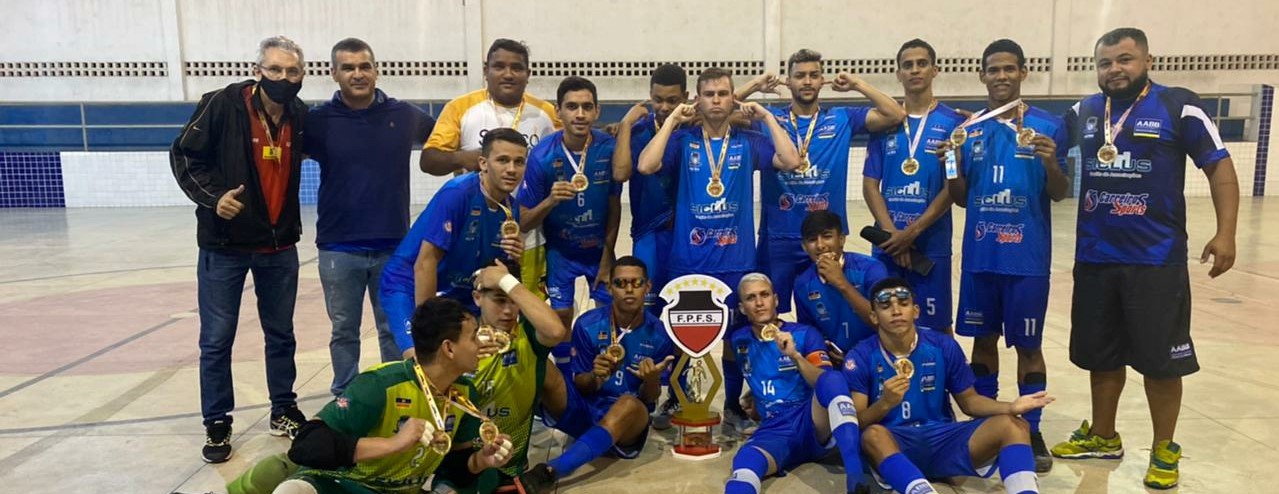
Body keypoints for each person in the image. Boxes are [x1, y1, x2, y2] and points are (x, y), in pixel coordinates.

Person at [1051, 27, 1239, 490]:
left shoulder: (1179, 106)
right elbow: (1040, 138)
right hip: (1096, 258)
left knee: (1161, 362)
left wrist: (1226, 233)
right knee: (1102, 355)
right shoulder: (1085, 111)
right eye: (1105, 62)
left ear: (1148, 60)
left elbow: (1219, 166)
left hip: (1156, 261)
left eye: (1125, 59)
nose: (1114, 69)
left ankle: (1163, 449)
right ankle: (1102, 434)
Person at [637, 67, 801, 435]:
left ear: (733, 99)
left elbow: (790, 161)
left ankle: (730, 405)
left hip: (736, 262)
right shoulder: (683, 141)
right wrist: (672, 123)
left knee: (732, 340)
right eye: (708, 94)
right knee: (682, 336)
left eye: (722, 93)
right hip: (689, 262)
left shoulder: (749, 140)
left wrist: (767, 116)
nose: (715, 100)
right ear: (697, 99)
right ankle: (677, 398)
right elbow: (646, 165)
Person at [169, 35, 309, 463]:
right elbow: (184, 155)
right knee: (216, 340)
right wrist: (213, 198)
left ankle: (283, 409)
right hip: (224, 246)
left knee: (281, 334)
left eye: (291, 72)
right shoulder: (222, 104)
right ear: (258, 71)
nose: (283, 78)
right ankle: (217, 421)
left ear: (301, 76)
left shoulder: (300, 115)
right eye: (275, 70)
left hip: (278, 246)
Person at [940, 38, 1069, 472]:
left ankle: (1030, 430)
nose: (1000, 76)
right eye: (993, 70)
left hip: (1027, 260)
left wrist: (1052, 164)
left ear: (1023, 72)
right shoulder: (970, 128)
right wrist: (952, 161)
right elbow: (958, 197)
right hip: (980, 256)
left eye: (1008, 69)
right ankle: (990, 424)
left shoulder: (1049, 126)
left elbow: (1060, 192)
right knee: (983, 342)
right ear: (982, 74)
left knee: (1030, 346)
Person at [275, 296, 515, 494]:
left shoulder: (465, 394)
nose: (482, 343)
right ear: (448, 348)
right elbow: (306, 444)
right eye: (474, 336)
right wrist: (393, 444)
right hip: (347, 486)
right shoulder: (380, 384)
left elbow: (453, 469)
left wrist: (481, 461)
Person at [305, 37, 436, 395]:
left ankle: (396, 392)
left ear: (376, 70)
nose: (358, 74)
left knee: (393, 327)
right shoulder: (317, 122)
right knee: (343, 329)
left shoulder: (404, 116)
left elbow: (445, 139)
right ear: (334, 74)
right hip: (337, 247)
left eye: (365, 66)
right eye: (348, 67)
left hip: (394, 245)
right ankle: (346, 397)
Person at [845, 278, 1054, 494]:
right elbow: (856, 422)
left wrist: (1010, 407)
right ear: (873, 316)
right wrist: (884, 404)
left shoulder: (943, 345)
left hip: (943, 437)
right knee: (872, 436)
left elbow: (970, 402)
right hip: (895, 441)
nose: (896, 311)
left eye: (904, 303)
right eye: (886, 306)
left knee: (1015, 426)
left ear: (915, 311)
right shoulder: (860, 356)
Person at [736, 49, 904, 315]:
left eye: (814, 75)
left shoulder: (841, 118)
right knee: (766, 312)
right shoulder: (768, 119)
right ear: (788, 82)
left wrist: (857, 84)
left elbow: (895, 114)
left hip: (825, 239)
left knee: (821, 312)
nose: (807, 81)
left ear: (822, 80)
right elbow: (717, 111)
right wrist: (756, 85)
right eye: (800, 76)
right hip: (779, 237)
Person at [514, 256, 675, 493]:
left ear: (647, 287)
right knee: (540, 366)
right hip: (587, 409)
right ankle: (513, 457)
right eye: (620, 283)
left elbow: (649, 398)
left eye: (636, 283)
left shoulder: (660, 334)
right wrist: (595, 376)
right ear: (609, 287)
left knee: (629, 403)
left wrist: (651, 380)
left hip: (626, 425)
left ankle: (551, 470)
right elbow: (580, 385)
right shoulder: (587, 324)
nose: (629, 289)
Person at [419, 38, 561, 300]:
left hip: (531, 239)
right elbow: (428, 160)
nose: (508, 74)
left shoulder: (546, 113)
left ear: (528, 74)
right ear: (486, 71)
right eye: (499, 66)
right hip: (475, 236)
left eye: (517, 68)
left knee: (526, 315)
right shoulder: (461, 108)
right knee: (479, 314)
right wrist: (463, 157)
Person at [379, 129, 527, 355]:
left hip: (459, 292)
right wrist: (430, 329)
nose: (511, 169)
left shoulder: (511, 208)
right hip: (409, 285)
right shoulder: (457, 194)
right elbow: (424, 264)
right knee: (423, 360)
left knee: (475, 354)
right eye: (502, 160)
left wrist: (516, 256)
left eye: (519, 162)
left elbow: (494, 270)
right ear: (483, 163)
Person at [430, 259, 570, 493]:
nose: (508, 311)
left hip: (509, 467)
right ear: (477, 298)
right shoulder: (456, 344)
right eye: (499, 299)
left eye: (513, 301)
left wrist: (506, 282)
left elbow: (556, 331)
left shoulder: (528, 337)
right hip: (461, 466)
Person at [723, 274, 864, 494]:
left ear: (776, 299)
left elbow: (824, 382)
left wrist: (796, 356)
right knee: (744, 461)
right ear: (742, 308)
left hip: (811, 418)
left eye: (765, 295)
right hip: (774, 428)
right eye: (751, 298)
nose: (759, 303)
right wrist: (738, 405)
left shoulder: (804, 333)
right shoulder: (738, 340)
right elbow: (734, 376)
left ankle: (855, 477)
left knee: (834, 378)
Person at [863, 39, 964, 334]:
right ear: (898, 73)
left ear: (935, 69)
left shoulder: (953, 123)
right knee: (883, 326)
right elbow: (870, 185)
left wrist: (913, 232)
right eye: (908, 65)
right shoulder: (886, 122)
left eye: (922, 63)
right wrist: (894, 235)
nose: (915, 70)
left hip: (930, 246)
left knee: (937, 327)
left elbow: (952, 188)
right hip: (888, 245)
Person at [519, 76, 620, 334]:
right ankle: (566, 371)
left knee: (610, 315)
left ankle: (597, 367)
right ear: (558, 111)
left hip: (599, 250)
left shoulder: (609, 148)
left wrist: (608, 257)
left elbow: (614, 205)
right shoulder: (542, 155)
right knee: (561, 316)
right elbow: (524, 221)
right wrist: (550, 201)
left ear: (597, 111)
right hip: (560, 252)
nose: (580, 114)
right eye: (572, 106)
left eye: (587, 107)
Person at [612, 63, 688, 309]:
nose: (664, 107)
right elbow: (621, 173)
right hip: (647, 233)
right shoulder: (637, 132)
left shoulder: (694, 129)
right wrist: (624, 126)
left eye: (672, 100)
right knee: (646, 305)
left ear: (685, 98)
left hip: (685, 233)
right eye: (658, 100)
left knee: (681, 305)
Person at [792, 210, 888, 357]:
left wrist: (842, 283)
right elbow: (809, 333)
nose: (820, 245)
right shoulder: (802, 284)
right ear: (804, 247)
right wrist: (823, 350)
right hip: (833, 360)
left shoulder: (871, 269)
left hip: (876, 355)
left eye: (827, 236)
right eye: (812, 240)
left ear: (842, 239)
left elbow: (885, 322)